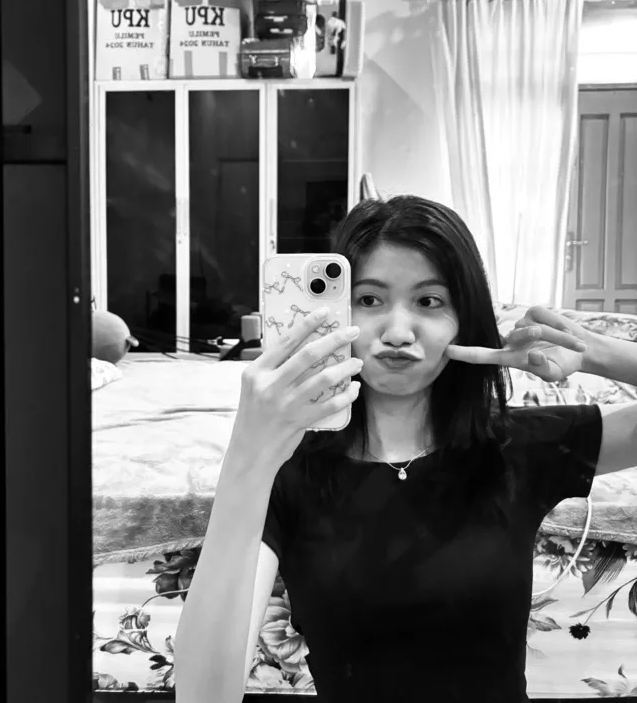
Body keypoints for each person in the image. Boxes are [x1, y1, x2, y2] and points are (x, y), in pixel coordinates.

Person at [173, 195, 637, 703]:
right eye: (369, 300)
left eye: (429, 301)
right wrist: (248, 450)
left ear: (465, 319)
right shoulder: (287, 470)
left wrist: (596, 351)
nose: (397, 333)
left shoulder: (514, 445)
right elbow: (203, 695)